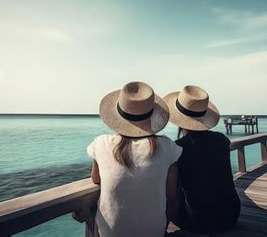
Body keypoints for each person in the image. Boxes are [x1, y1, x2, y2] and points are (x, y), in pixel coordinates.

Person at [87, 81, 182, 237]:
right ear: (152, 117)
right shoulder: (167, 146)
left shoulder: (101, 143)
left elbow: (96, 179)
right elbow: (171, 194)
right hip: (154, 232)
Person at [163, 85, 240, 234]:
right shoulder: (222, 140)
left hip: (197, 221)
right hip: (231, 215)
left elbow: (171, 193)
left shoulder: (178, 147)